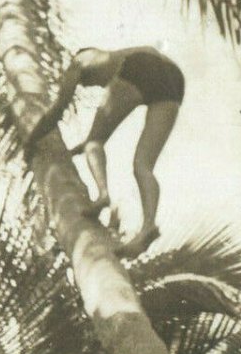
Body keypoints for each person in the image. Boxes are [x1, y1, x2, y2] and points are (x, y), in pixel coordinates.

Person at [23, 46, 185, 258]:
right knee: (143, 166)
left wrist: (30, 141)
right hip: (174, 78)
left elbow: (58, 110)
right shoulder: (116, 55)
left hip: (140, 68)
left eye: (86, 83)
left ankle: (103, 195)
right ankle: (148, 226)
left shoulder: (78, 62)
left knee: (94, 142)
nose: (90, 85)